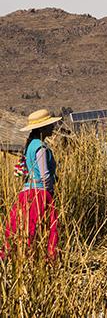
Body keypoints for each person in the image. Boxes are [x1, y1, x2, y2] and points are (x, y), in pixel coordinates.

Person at [2, 109, 60, 260]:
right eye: (50, 125)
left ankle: (19, 259)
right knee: (42, 229)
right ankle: (44, 260)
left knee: (25, 228)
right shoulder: (40, 146)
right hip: (39, 194)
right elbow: (44, 174)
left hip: (27, 193)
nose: (53, 127)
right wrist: (50, 192)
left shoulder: (31, 145)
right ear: (42, 128)